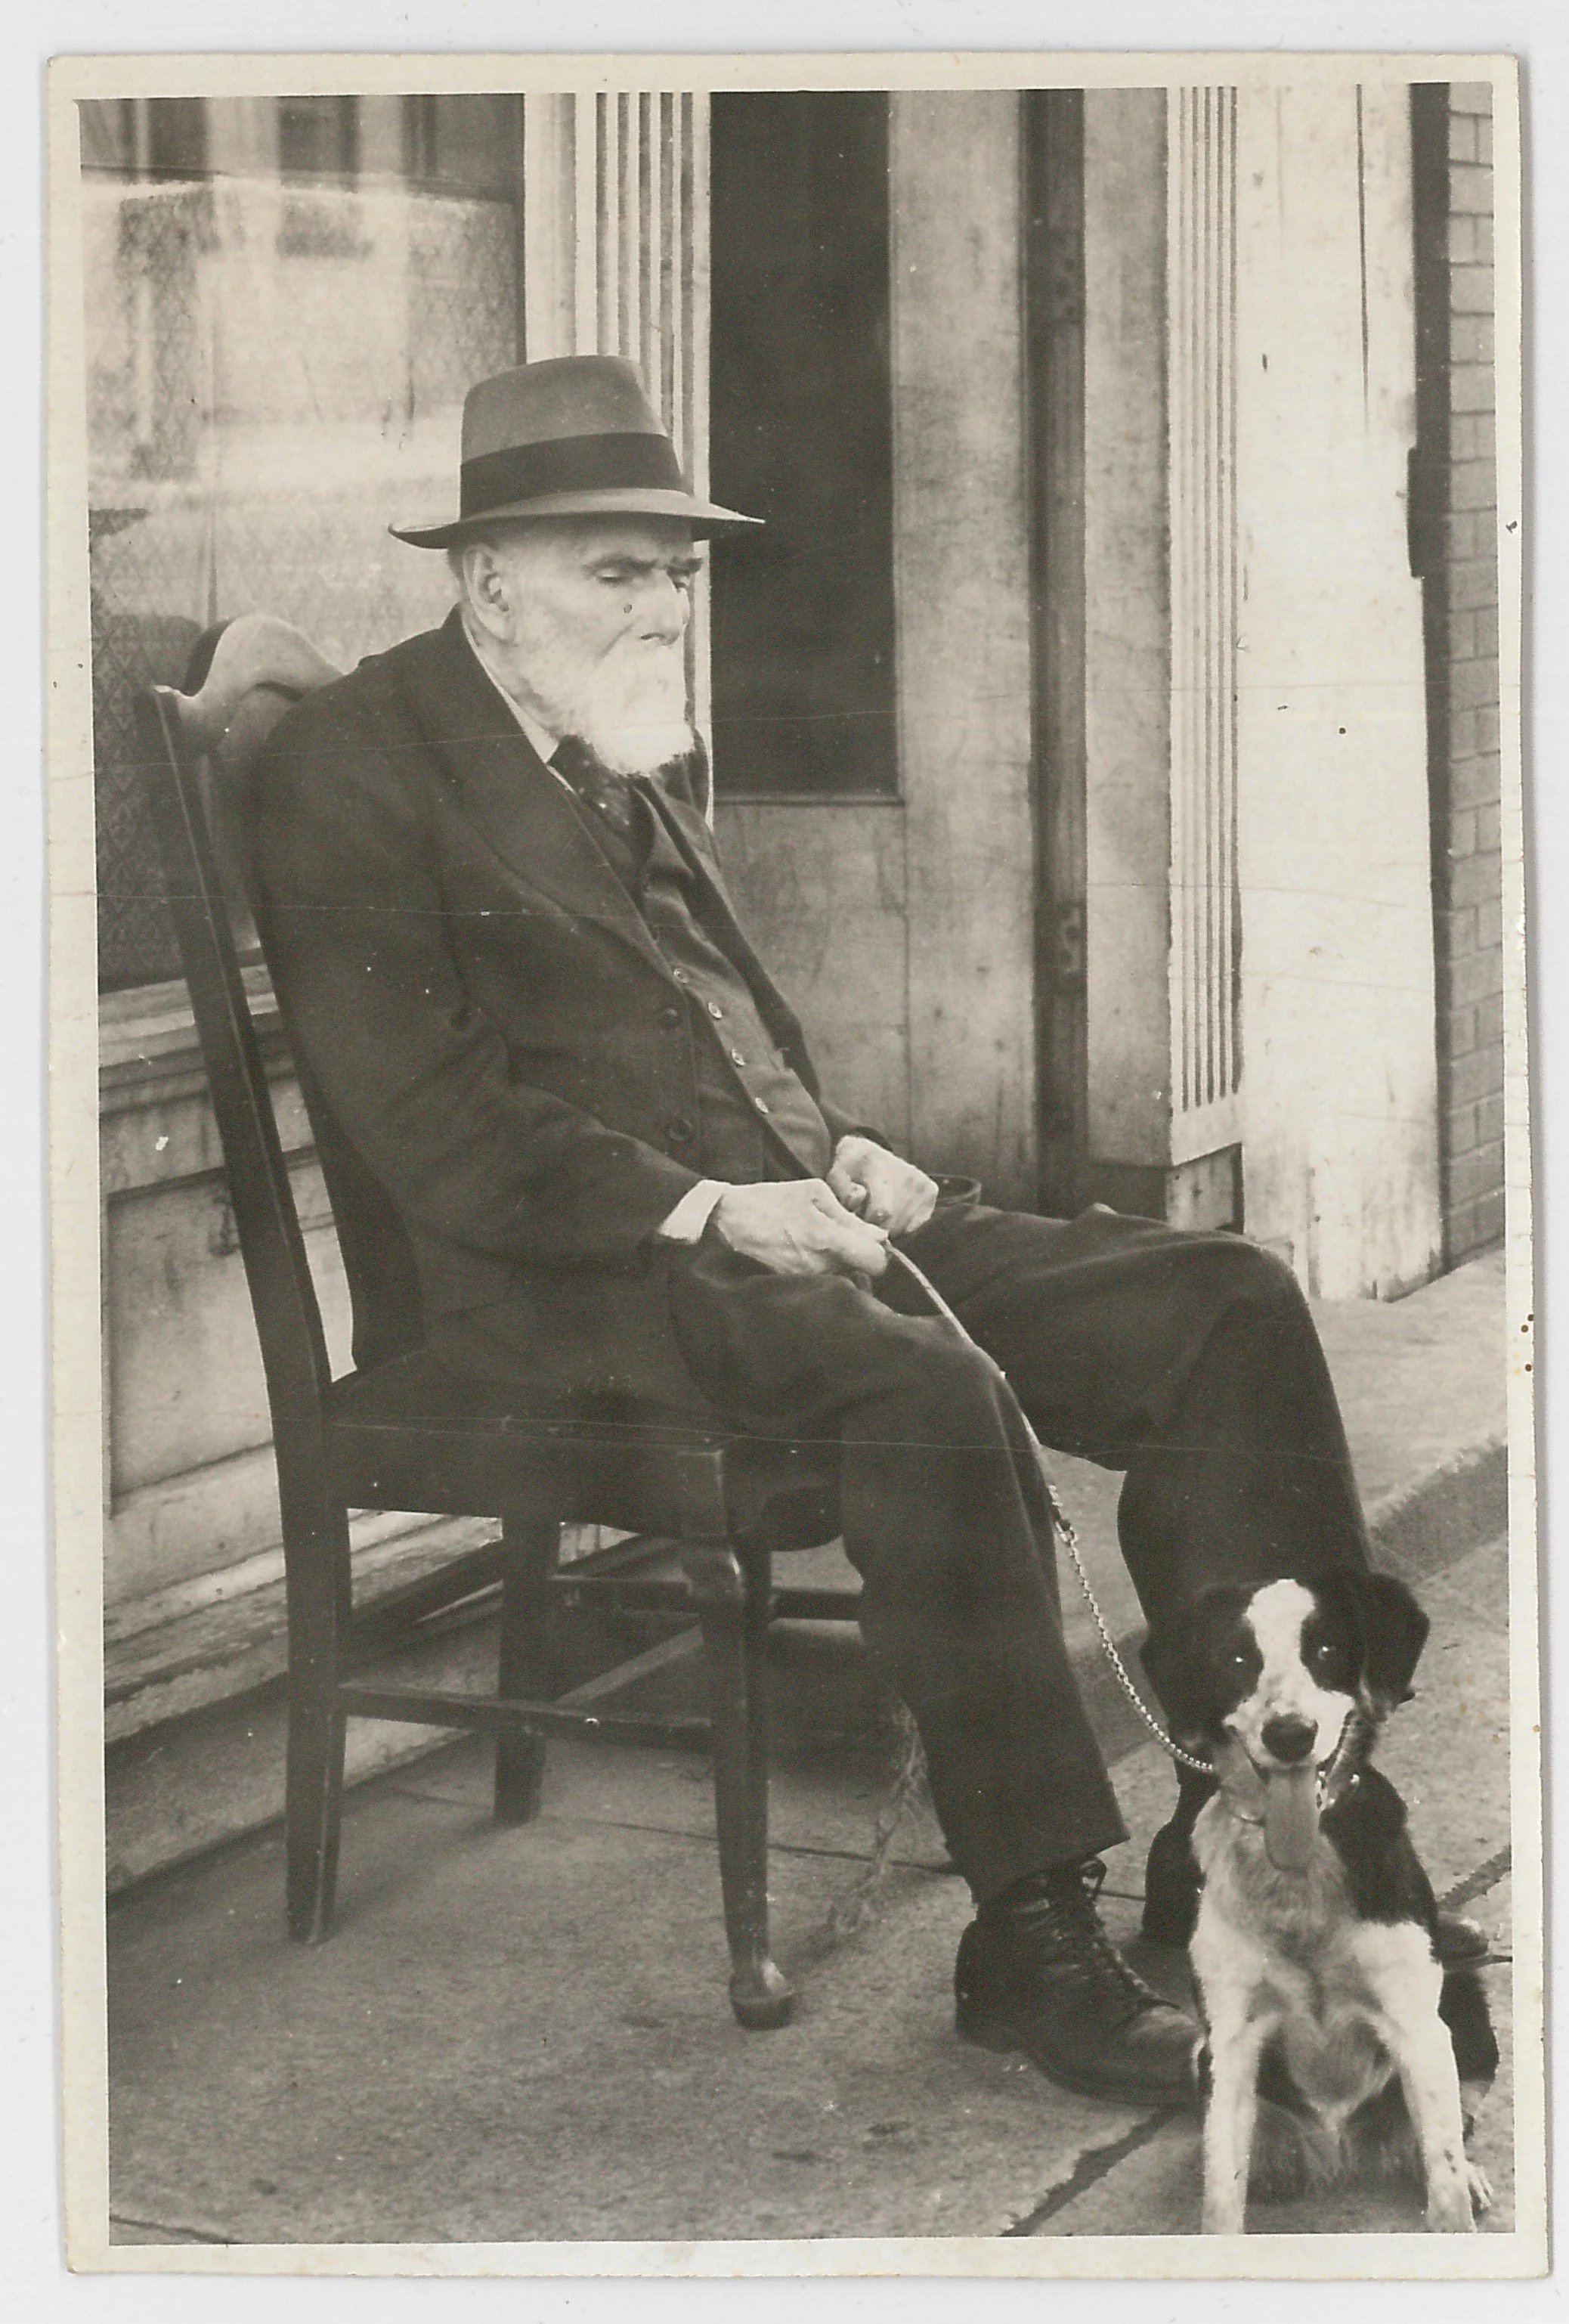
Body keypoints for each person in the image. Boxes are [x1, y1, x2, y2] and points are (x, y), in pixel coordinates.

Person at [253, 356, 1470, 2109]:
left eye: (679, 572)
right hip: (567, 1289)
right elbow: (433, 1119)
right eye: (620, 570)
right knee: (928, 1393)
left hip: (785, 1226)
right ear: (491, 579)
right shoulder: (358, 764)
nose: (666, 606)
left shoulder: (614, 755)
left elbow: (718, 1044)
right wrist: (706, 1204)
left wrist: (840, 1156)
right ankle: (1030, 1938)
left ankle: (1269, 1830)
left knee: (1225, 1300)